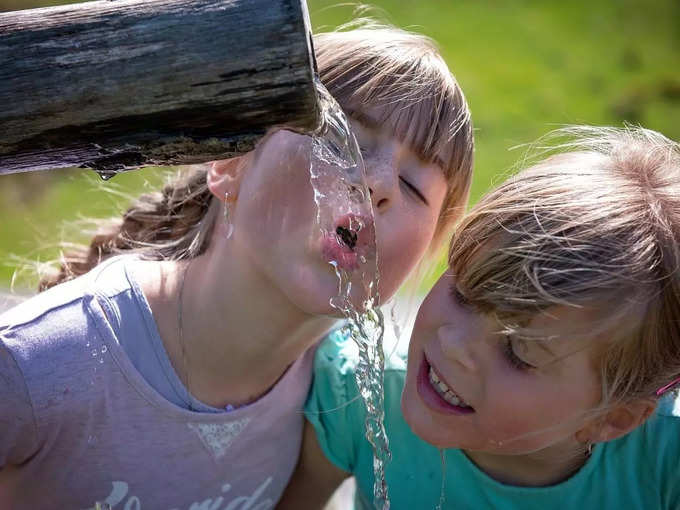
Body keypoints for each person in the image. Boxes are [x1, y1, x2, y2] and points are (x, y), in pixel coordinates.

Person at [0, 24, 474, 509]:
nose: (377, 185)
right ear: (230, 164)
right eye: (341, 140)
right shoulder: (40, 362)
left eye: (414, 186)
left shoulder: (339, 401)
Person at [279, 126, 680, 510]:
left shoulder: (664, 463)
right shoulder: (362, 398)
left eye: (518, 352)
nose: (454, 344)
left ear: (613, 418)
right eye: (464, 293)